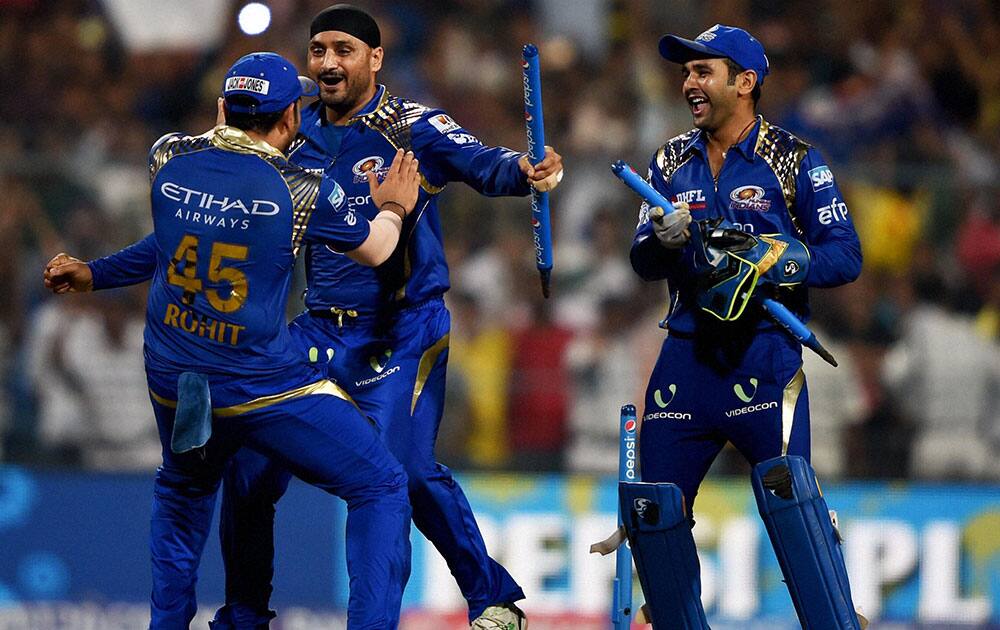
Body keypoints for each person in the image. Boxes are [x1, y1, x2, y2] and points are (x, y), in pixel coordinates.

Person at [53, 5, 563, 628]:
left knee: (402, 471)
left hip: (399, 330)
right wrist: (100, 272)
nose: (326, 62)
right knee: (248, 466)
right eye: (317, 49)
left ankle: (491, 598)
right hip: (319, 326)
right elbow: (206, 231)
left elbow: (485, 164)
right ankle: (244, 615)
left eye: (343, 49)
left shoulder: (413, 126)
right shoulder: (294, 131)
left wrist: (527, 171)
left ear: (375, 59)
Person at [44, 51, 422, 629]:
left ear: (222, 108)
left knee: (183, 494)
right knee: (382, 483)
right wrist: (394, 206)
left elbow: (175, 244)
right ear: (291, 118)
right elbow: (376, 248)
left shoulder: (168, 156)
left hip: (177, 379)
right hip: (261, 386)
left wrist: (94, 273)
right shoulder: (299, 190)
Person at [623, 25, 866, 628]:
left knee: (793, 506)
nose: (689, 84)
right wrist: (659, 237)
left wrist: (776, 255)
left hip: (765, 357)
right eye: (686, 73)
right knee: (653, 517)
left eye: (703, 72)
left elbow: (845, 255)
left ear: (745, 81)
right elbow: (639, 261)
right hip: (686, 358)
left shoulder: (794, 160)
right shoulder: (668, 159)